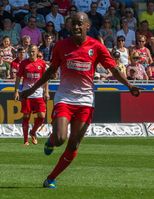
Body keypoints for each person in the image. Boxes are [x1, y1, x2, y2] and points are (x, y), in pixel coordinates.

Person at [21, 12, 142, 188]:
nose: (76, 27)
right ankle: (52, 140)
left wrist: (129, 86)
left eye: (80, 24)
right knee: (61, 138)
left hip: (86, 101)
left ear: (87, 26)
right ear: (69, 26)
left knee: (74, 143)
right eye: (74, 24)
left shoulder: (97, 47)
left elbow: (114, 69)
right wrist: (31, 89)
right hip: (65, 98)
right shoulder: (61, 46)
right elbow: (51, 71)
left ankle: (51, 178)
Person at [14, 45, 49, 146]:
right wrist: (16, 91)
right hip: (27, 94)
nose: (32, 53)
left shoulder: (42, 63)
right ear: (28, 52)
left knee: (42, 116)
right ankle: (25, 140)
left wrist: (46, 91)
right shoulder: (24, 63)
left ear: (37, 51)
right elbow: (18, 77)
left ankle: (33, 132)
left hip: (38, 94)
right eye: (30, 51)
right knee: (26, 116)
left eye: (33, 51)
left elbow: (45, 79)